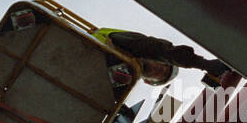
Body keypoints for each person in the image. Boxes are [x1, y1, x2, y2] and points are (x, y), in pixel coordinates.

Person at [92, 28, 229, 87]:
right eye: (164, 65)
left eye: (162, 74)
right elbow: (158, 50)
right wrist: (204, 64)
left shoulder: (124, 83)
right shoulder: (132, 45)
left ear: (149, 82)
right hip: (86, 46)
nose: (160, 68)